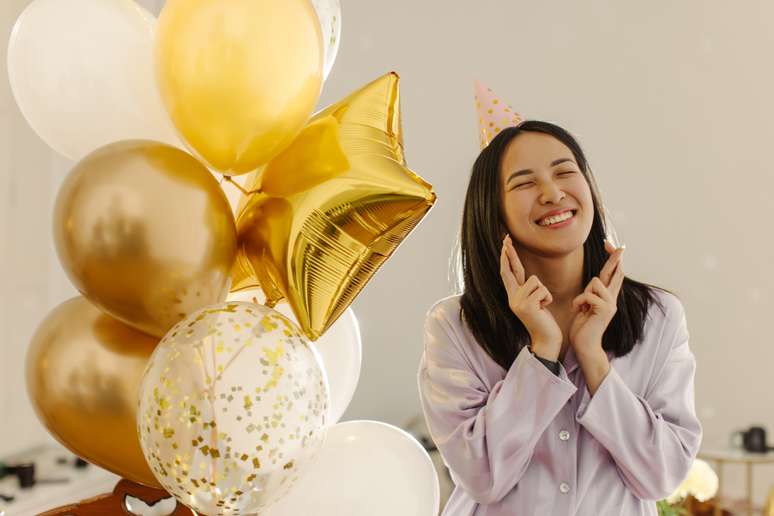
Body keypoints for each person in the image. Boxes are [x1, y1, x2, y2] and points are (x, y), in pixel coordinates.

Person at [417, 83, 702, 516]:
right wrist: (542, 354)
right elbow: (482, 478)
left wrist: (593, 357)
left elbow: (662, 475)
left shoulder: (659, 317)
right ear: (493, 212)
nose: (552, 193)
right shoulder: (454, 326)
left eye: (565, 172)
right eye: (525, 182)